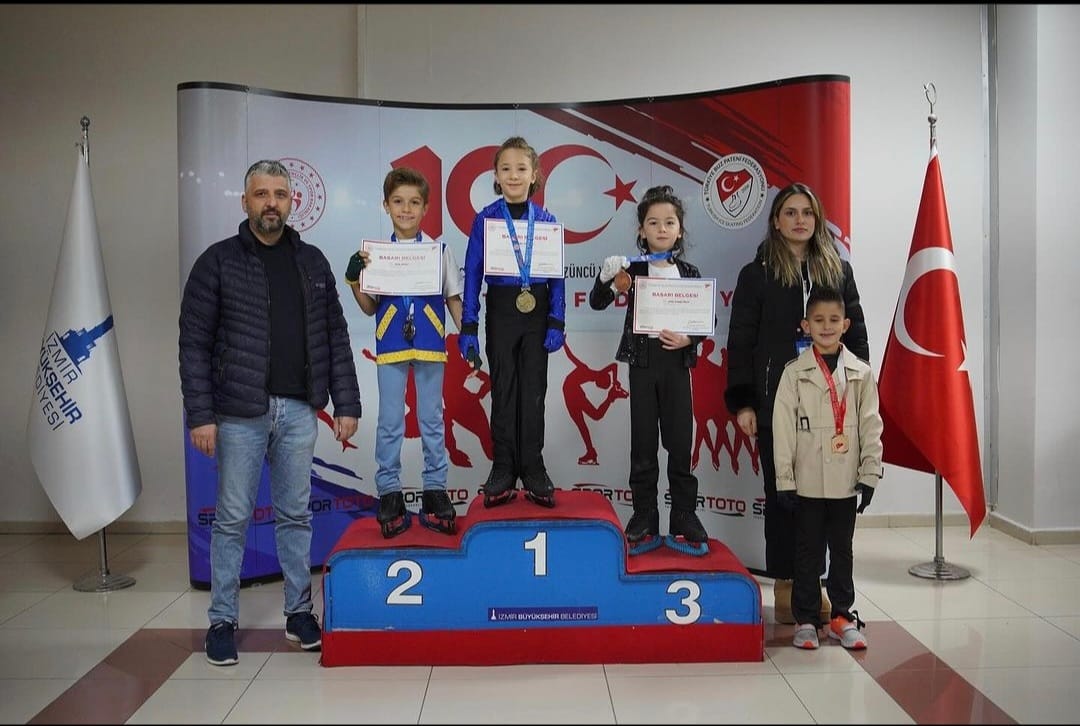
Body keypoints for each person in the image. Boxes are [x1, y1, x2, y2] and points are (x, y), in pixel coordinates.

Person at [179, 159, 362, 666]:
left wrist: (346, 403)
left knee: (295, 516)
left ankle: (299, 614)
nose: (271, 203)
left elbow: (335, 337)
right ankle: (222, 620)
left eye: (280, 194)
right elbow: (193, 344)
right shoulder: (217, 262)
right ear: (245, 202)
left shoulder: (313, 262)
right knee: (232, 519)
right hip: (239, 412)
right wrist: (200, 414)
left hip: (300, 410)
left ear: (291, 202)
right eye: (261, 194)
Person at [724, 182, 868, 624]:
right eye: (790, 212)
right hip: (776, 405)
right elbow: (741, 342)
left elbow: (857, 333)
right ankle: (786, 581)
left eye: (807, 212)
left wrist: (859, 392)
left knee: (825, 498)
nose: (799, 220)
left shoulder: (838, 271)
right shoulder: (756, 274)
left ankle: (815, 584)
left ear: (817, 219)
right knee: (783, 495)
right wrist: (744, 403)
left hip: (830, 406)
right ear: (776, 220)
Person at [344, 167, 464, 538]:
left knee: (431, 419)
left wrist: (469, 336)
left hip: (430, 344)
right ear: (386, 206)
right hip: (391, 344)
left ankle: (435, 489)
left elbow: (453, 298)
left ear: (426, 207)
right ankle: (389, 491)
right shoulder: (376, 256)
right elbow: (369, 307)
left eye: (414, 202)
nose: (406, 209)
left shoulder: (439, 251)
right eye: (398, 202)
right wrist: (354, 280)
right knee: (390, 421)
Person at [590, 184, 709, 555]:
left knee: (680, 442)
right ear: (641, 230)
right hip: (643, 365)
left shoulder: (689, 272)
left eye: (669, 222)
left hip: (676, 365)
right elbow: (597, 302)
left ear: (680, 230)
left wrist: (689, 338)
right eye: (653, 222)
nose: (661, 228)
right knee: (643, 443)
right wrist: (606, 279)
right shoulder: (632, 269)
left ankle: (684, 513)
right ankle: (644, 513)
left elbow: (705, 320)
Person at [771, 285, 882, 649]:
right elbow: (783, 430)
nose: (827, 326)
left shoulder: (860, 374)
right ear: (806, 325)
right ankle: (805, 619)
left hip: (845, 480)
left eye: (834, 319)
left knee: (842, 550)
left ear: (846, 324)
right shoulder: (793, 373)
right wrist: (784, 480)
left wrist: (869, 474)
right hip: (807, 481)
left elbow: (871, 426)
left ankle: (841, 616)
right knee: (807, 551)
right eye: (818, 320)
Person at [459, 136, 565, 508]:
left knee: (534, 391)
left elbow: (557, 276)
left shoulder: (547, 222)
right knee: (503, 388)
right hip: (502, 309)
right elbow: (472, 272)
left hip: (537, 310)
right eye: (506, 169)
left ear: (534, 174)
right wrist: (468, 325)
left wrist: (557, 318)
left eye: (521, 168)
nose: (514, 175)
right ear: (496, 175)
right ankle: (503, 466)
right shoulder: (485, 219)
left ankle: (533, 467)